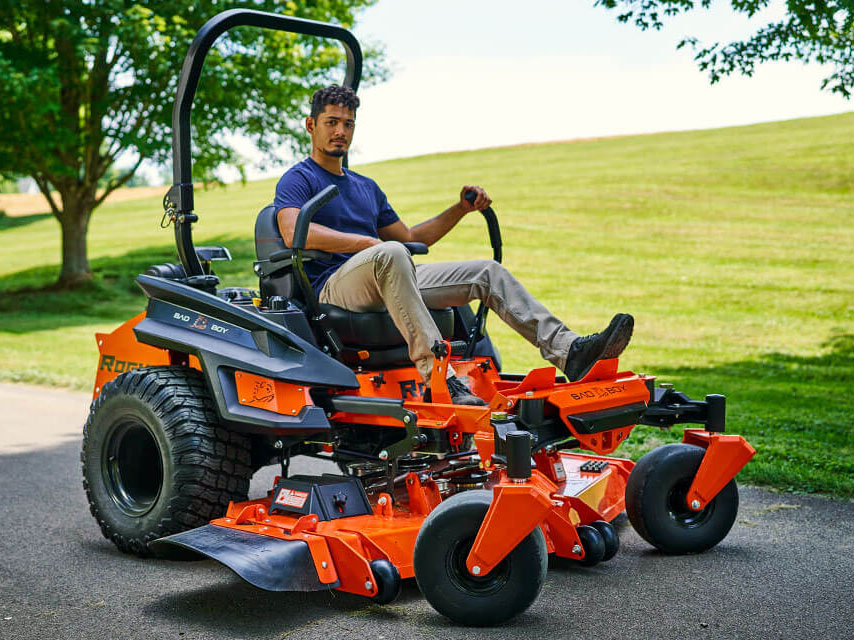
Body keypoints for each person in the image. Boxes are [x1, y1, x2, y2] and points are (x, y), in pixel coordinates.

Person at [274, 85, 633, 405]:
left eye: (348, 124)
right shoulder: (299, 178)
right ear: (311, 125)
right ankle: (440, 379)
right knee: (390, 252)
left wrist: (461, 209)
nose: (340, 131)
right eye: (332, 122)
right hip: (334, 287)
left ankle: (570, 351)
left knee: (484, 271)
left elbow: (413, 239)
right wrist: (366, 243)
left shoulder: (366, 187)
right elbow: (293, 233)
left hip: (386, 273)